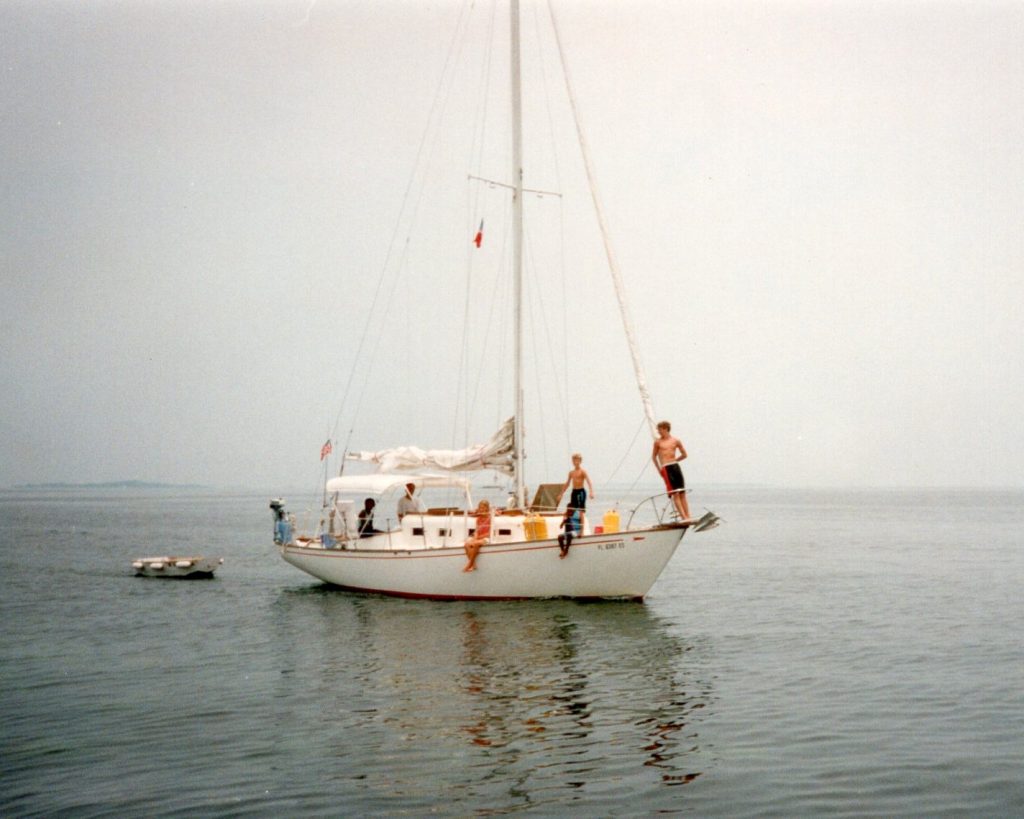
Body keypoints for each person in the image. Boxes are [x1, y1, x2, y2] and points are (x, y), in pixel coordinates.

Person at [652, 420, 692, 523]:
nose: (658, 432)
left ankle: (688, 516)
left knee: (682, 492)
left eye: (659, 429)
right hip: (666, 468)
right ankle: (683, 517)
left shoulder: (676, 440)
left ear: (665, 429)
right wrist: (659, 469)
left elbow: (684, 454)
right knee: (675, 494)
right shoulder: (658, 442)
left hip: (675, 466)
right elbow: (653, 457)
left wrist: (675, 460)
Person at [556, 453, 595, 527]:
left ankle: (582, 530)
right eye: (573, 460)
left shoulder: (583, 471)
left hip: (581, 491)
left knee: (581, 511)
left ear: (580, 461)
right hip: (574, 492)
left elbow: (589, 482)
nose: (575, 462)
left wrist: (591, 492)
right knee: (571, 509)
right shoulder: (571, 473)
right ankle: (568, 524)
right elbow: (567, 484)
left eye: (577, 460)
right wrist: (561, 494)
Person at [462, 499, 491, 572]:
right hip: (479, 538)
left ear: (487, 508)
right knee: (466, 544)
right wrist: (475, 537)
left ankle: (469, 564)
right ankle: (473, 564)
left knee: (474, 544)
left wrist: (478, 538)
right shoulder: (478, 519)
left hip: (487, 538)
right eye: (480, 507)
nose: (481, 509)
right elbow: (477, 530)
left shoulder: (490, 518)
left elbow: (490, 533)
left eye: (483, 507)